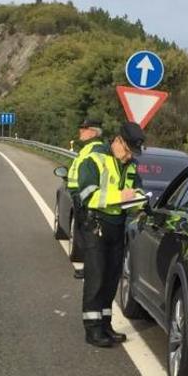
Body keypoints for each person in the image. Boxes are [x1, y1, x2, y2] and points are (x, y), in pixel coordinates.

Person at [76, 121, 146, 347]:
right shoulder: (94, 160)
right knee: (96, 278)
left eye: (132, 153)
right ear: (117, 141)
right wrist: (122, 197)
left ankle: (105, 324)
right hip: (96, 225)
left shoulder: (131, 165)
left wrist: (141, 202)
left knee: (111, 279)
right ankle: (92, 329)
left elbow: (135, 190)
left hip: (118, 227)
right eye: (127, 151)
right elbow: (88, 196)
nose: (129, 157)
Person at [67, 118, 105, 279]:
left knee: (91, 238)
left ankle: (92, 271)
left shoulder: (95, 150)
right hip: (82, 198)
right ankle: (90, 269)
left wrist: (82, 198)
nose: (80, 131)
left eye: (84, 128)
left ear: (93, 132)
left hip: (87, 199)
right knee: (86, 237)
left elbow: (91, 179)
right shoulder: (88, 148)